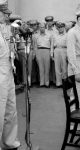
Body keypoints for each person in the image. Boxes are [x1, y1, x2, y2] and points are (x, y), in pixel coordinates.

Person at [0, 11, 20, 150]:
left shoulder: (3, 28)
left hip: (7, 71)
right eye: (4, 13)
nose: (7, 16)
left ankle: (10, 142)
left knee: (10, 110)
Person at [33, 23, 51, 87]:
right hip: (39, 51)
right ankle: (42, 83)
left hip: (47, 50)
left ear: (45, 27)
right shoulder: (36, 36)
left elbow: (51, 45)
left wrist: (51, 53)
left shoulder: (49, 35)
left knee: (47, 67)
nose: (42, 28)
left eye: (43, 27)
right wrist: (35, 54)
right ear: (39, 28)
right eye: (40, 27)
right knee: (40, 68)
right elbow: (35, 45)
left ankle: (47, 83)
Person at [51, 22, 67, 87]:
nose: (60, 29)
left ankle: (64, 82)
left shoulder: (67, 35)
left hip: (64, 50)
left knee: (64, 67)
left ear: (64, 27)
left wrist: (68, 54)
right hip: (56, 50)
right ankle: (58, 82)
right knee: (57, 67)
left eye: (62, 27)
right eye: (59, 27)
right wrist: (51, 54)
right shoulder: (54, 35)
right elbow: (52, 45)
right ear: (57, 28)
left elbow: (69, 45)